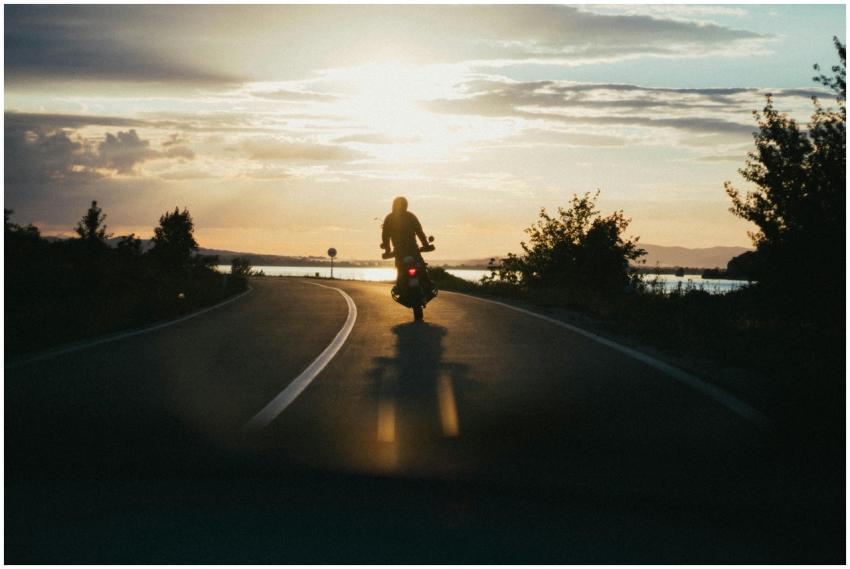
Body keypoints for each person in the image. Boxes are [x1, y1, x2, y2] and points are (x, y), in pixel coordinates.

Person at [381, 196, 434, 293]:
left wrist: (387, 249)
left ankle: (401, 287)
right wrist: (426, 245)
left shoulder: (389, 218)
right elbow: (420, 233)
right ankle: (428, 285)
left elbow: (385, 237)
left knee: (402, 268)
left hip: (401, 251)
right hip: (412, 249)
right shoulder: (410, 216)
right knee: (420, 266)